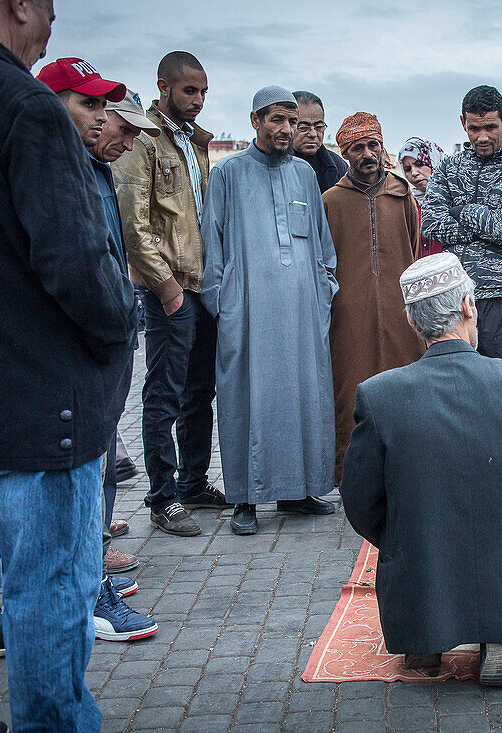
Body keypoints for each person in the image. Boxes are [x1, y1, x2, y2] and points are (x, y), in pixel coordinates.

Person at [0, 1, 137, 729]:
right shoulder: (20, 104)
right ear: (20, 6)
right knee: (48, 590)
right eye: (51, 14)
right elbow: (76, 263)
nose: (49, 31)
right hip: (38, 410)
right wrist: (117, 331)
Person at [340, 253, 502, 686]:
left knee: (420, 537)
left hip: (417, 585)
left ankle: (426, 632)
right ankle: (500, 635)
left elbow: (359, 501)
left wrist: (402, 537)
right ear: (469, 306)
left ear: (414, 324)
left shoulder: (378, 395)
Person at [38, 58, 161, 643]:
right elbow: (76, 269)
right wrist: (118, 320)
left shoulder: (90, 170)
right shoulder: (50, 173)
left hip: (100, 347)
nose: (106, 122)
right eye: (89, 106)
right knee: (77, 483)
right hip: (72, 356)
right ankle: (87, 595)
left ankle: (90, 579)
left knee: (102, 470)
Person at [200, 86, 340, 535]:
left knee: (303, 397)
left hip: (301, 312)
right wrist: (223, 303)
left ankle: (298, 492)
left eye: (293, 121)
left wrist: (323, 291)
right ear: (255, 121)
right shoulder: (228, 173)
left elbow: (321, 243)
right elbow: (212, 243)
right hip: (248, 310)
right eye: (277, 120)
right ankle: (244, 497)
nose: (286, 129)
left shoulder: (303, 174)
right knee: (247, 400)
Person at [114, 51, 226, 538]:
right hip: (171, 288)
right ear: (164, 86)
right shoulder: (146, 139)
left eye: (203, 92)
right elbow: (133, 221)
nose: (198, 101)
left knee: (201, 391)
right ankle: (162, 497)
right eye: (189, 91)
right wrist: (166, 288)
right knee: (165, 393)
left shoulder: (190, 140)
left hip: (199, 284)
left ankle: (194, 482)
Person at [325, 113, 425, 487]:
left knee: (405, 389)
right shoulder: (330, 201)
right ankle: (354, 479)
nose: (366, 154)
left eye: (372, 145)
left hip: (401, 315)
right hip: (348, 317)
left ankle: (409, 473)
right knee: (351, 393)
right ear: (345, 152)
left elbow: (412, 250)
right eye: (356, 148)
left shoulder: (401, 194)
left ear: (382, 147)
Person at [421, 85, 502, 361]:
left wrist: (460, 209)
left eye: (491, 127)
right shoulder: (449, 169)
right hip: (456, 298)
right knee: (459, 387)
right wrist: (487, 225)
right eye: (475, 128)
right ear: (463, 123)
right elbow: (430, 223)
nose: (483, 136)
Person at [398, 136, 447, 257]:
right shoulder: (408, 205)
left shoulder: (456, 198)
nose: (414, 173)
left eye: (419, 164)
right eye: (408, 169)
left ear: (434, 161)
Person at [292, 89, 347, 193]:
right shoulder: (271, 163)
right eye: (304, 127)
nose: (313, 134)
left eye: (319, 127)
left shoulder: (338, 166)